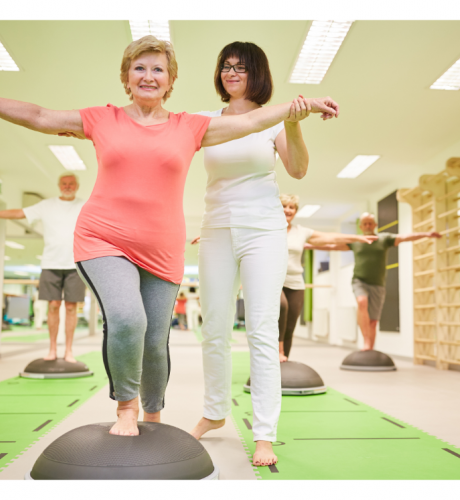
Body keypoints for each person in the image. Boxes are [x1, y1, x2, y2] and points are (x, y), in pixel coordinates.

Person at [0, 35, 339, 437]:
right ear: (126, 77)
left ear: (170, 80)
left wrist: (300, 107)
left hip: (164, 249)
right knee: (129, 319)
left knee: (155, 339)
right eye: (139, 68)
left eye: (158, 69)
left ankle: (154, 416)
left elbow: (251, 121)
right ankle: (126, 408)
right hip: (103, 239)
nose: (148, 76)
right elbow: (38, 115)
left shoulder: (189, 126)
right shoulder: (102, 118)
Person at [178, 42, 364, 467]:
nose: (230, 73)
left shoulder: (273, 119)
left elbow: (297, 169)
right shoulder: (206, 120)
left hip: (263, 229)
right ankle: (214, 412)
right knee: (215, 328)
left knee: (262, 330)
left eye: (240, 67)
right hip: (217, 229)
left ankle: (265, 433)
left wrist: (295, 123)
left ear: (256, 72)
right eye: (225, 66)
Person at [0, 173, 87, 362]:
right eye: (64, 183)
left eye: (71, 183)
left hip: (76, 263)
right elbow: (18, 213)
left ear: (77, 186)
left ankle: (69, 351)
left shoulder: (85, 205)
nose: (68, 186)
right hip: (50, 263)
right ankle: (53, 349)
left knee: (71, 307)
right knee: (53, 305)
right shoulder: (47, 205)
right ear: (58, 185)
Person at [275, 194, 375, 361]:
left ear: (296, 211)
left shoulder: (301, 232)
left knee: (290, 326)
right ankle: (277, 353)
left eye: (292, 207)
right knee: (281, 307)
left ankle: (283, 364)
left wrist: (357, 237)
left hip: (296, 283)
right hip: (274, 281)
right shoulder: (269, 229)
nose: (287, 210)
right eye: (284, 206)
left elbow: (331, 237)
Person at [324, 213, 440, 352]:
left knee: (373, 321)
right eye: (365, 223)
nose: (367, 226)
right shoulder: (355, 241)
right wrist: (306, 246)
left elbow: (404, 237)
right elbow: (331, 246)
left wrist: (426, 234)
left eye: (370, 223)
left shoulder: (383, 239)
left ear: (375, 225)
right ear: (360, 226)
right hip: (359, 280)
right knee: (362, 302)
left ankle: (370, 349)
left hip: (378, 284)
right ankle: (366, 341)